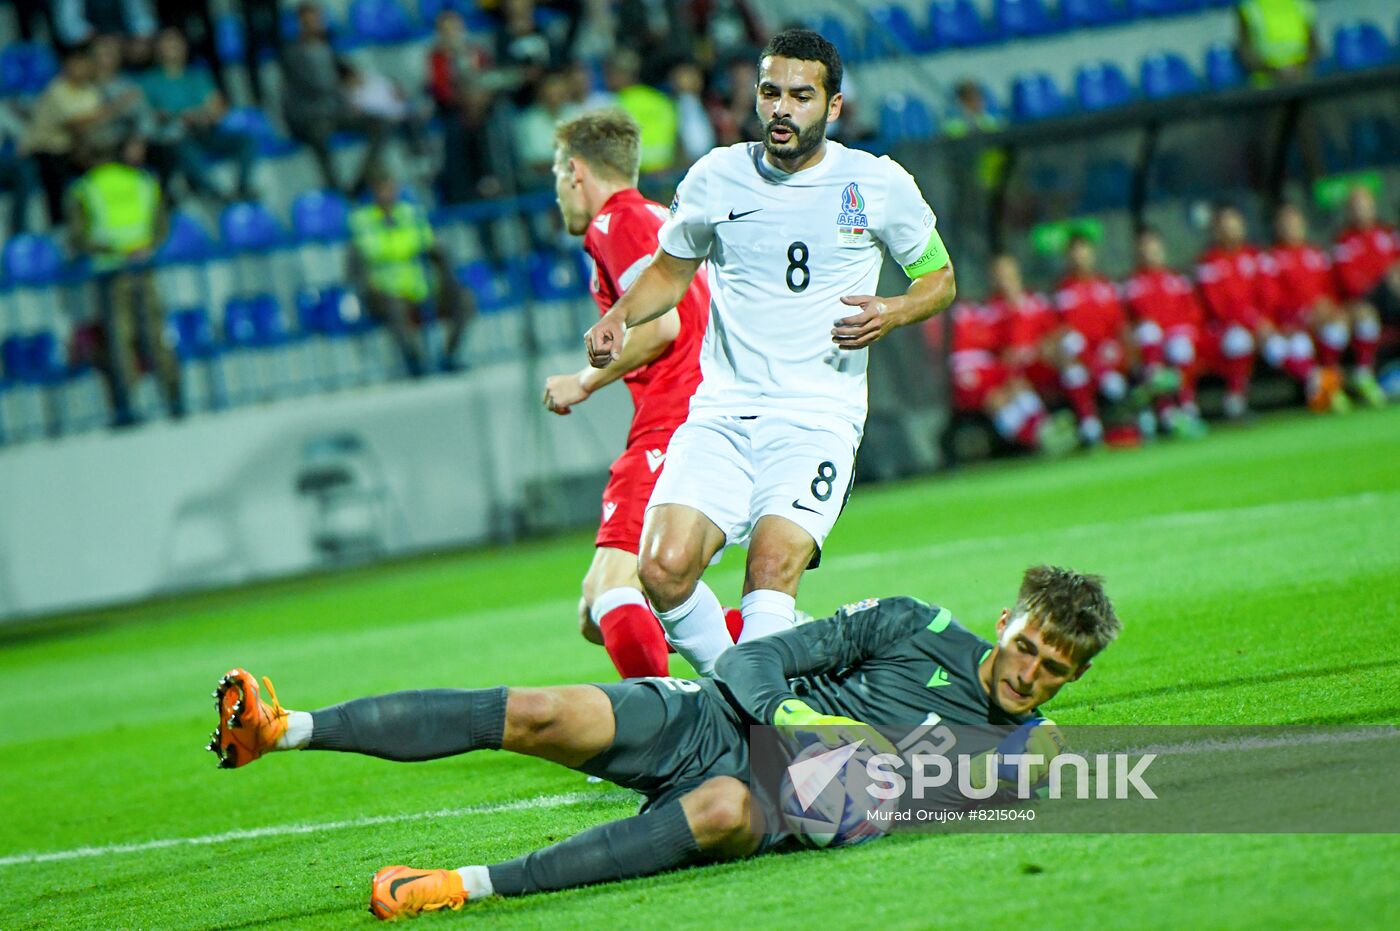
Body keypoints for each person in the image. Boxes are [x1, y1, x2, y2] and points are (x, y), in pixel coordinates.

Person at [208, 565, 1119, 918]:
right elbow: (763, 658)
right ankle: (283, 730)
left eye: (1052, 669)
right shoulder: (915, 622)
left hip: (769, 800)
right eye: (1028, 645)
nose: (1028, 671)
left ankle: (459, 885)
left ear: (1069, 680)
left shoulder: (1020, 752)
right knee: (543, 710)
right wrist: (795, 718)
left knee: (722, 810)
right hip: (722, 716)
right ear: (1007, 622)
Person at [583, 29, 956, 676]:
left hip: (817, 416)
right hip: (722, 412)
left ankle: (765, 736)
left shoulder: (875, 184)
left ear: (833, 107)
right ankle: (758, 693)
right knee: (662, 570)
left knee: (770, 570)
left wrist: (893, 311)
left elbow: (939, 277)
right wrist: (620, 315)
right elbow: (670, 272)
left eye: (801, 96)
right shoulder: (716, 177)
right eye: (770, 93)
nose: (782, 109)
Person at [542, 110, 733, 679]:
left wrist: (583, 380)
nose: (557, 195)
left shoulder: (614, 223)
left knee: (611, 589)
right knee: (597, 612)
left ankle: (662, 739)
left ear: (575, 171)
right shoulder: (660, 217)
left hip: (672, 422)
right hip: (706, 415)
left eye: (557, 176)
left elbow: (659, 328)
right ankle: (775, 644)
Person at [67, 134, 182, 426]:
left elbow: (79, 237)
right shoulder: (144, 182)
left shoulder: (84, 188)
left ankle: (127, 408)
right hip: (143, 269)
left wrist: (116, 250)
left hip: (112, 273)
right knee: (157, 337)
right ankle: (175, 401)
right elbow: (161, 226)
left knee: (121, 342)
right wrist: (143, 248)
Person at [347, 172, 471, 377]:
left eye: (390, 187)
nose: (387, 193)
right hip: (383, 289)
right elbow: (372, 250)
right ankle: (415, 364)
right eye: (381, 189)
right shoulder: (362, 219)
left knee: (465, 300)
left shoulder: (410, 213)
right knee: (395, 310)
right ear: (374, 192)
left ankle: (449, 356)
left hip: (420, 285)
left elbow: (428, 241)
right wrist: (407, 246)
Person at [280, 2, 389, 194]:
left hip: (335, 112)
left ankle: (361, 181)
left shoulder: (327, 47)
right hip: (311, 116)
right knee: (319, 134)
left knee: (379, 123)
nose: (316, 23)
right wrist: (344, 94)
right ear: (300, 22)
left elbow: (347, 72)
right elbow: (316, 86)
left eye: (318, 18)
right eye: (310, 19)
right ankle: (335, 189)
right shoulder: (292, 53)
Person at [140, 29, 256, 203]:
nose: (173, 49)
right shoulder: (149, 81)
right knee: (181, 145)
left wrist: (201, 115)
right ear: (158, 49)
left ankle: (243, 188)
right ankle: (215, 193)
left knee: (246, 139)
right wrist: (179, 116)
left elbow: (217, 107)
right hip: (175, 137)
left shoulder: (198, 77)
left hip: (205, 132)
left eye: (176, 44)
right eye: (167, 44)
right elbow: (149, 114)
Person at [1123, 228, 1209, 435]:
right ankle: (1165, 407)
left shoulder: (1178, 280)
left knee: (1181, 347)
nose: (1149, 252)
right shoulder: (1131, 284)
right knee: (1148, 331)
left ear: (1162, 249)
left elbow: (1194, 316)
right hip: (1148, 350)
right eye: (1144, 248)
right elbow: (1128, 323)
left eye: (1153, 247)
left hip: (1177, 342)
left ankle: (1185, 408)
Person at [1265, 204, 1351, 412]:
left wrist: (1331, 310)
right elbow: (1271, 301)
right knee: (1292, 345)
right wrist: (1301, 317)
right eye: (1285, 224)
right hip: (1289, 325)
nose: (1290, 228)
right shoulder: (1269, 259)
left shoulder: (1317, 254)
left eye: (1294, 223)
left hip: (1318, 321)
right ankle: (1325, 384)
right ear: (1277, 228)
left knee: (1337, 327)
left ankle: (1327, 384)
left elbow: (1331, 293)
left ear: (1303, 224)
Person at [1195, 204, 1277, 420]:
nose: (1230, 228)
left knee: (1283, 347)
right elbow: (1217, 307)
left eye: (1234, 223)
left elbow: (1269, 294)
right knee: (1239, 340)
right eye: (1225, 224)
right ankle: (1235, 400)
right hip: (1222, 330)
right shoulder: (1209, 262)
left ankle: (1320, 390)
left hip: (1262, 325)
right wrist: (1252, 322)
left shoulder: (1256, 256)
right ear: (1216, 230)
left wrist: (1264, 320)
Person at [1051, 234, 1131, 445]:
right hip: (1081, 358)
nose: (1080, 258)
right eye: (1074, 254)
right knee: (1073, 358)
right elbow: (1058, 332)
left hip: (1109, 353)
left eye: (1084, 252)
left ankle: (1134, 420)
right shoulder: (1062, 291)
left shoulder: (1107, 285)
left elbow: (1121, 327)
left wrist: (1125, 355)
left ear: (1092, 254)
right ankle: (1090, 426)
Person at [24, 43, 109, 223]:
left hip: (73, 148)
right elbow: (75, 124)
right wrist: (116, 107)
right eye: (76, 64)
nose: (81, 69)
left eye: (85, 64)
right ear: (67, 66)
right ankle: (58, 225)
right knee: (57, 170)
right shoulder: (56, 90)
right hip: (45, 149)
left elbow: (95, 123)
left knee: (104, 161)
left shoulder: (90, 91)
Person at [1331, 186, 1396, 406]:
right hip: (1365, 300)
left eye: (1365, 205)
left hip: (1393, 301)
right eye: (1356, 207)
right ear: (1349, 211)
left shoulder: (1388, 234)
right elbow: (1350, 283)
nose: (1361, 211)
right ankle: (1361, 374)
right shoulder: (1344, 242)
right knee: (1363, 315)